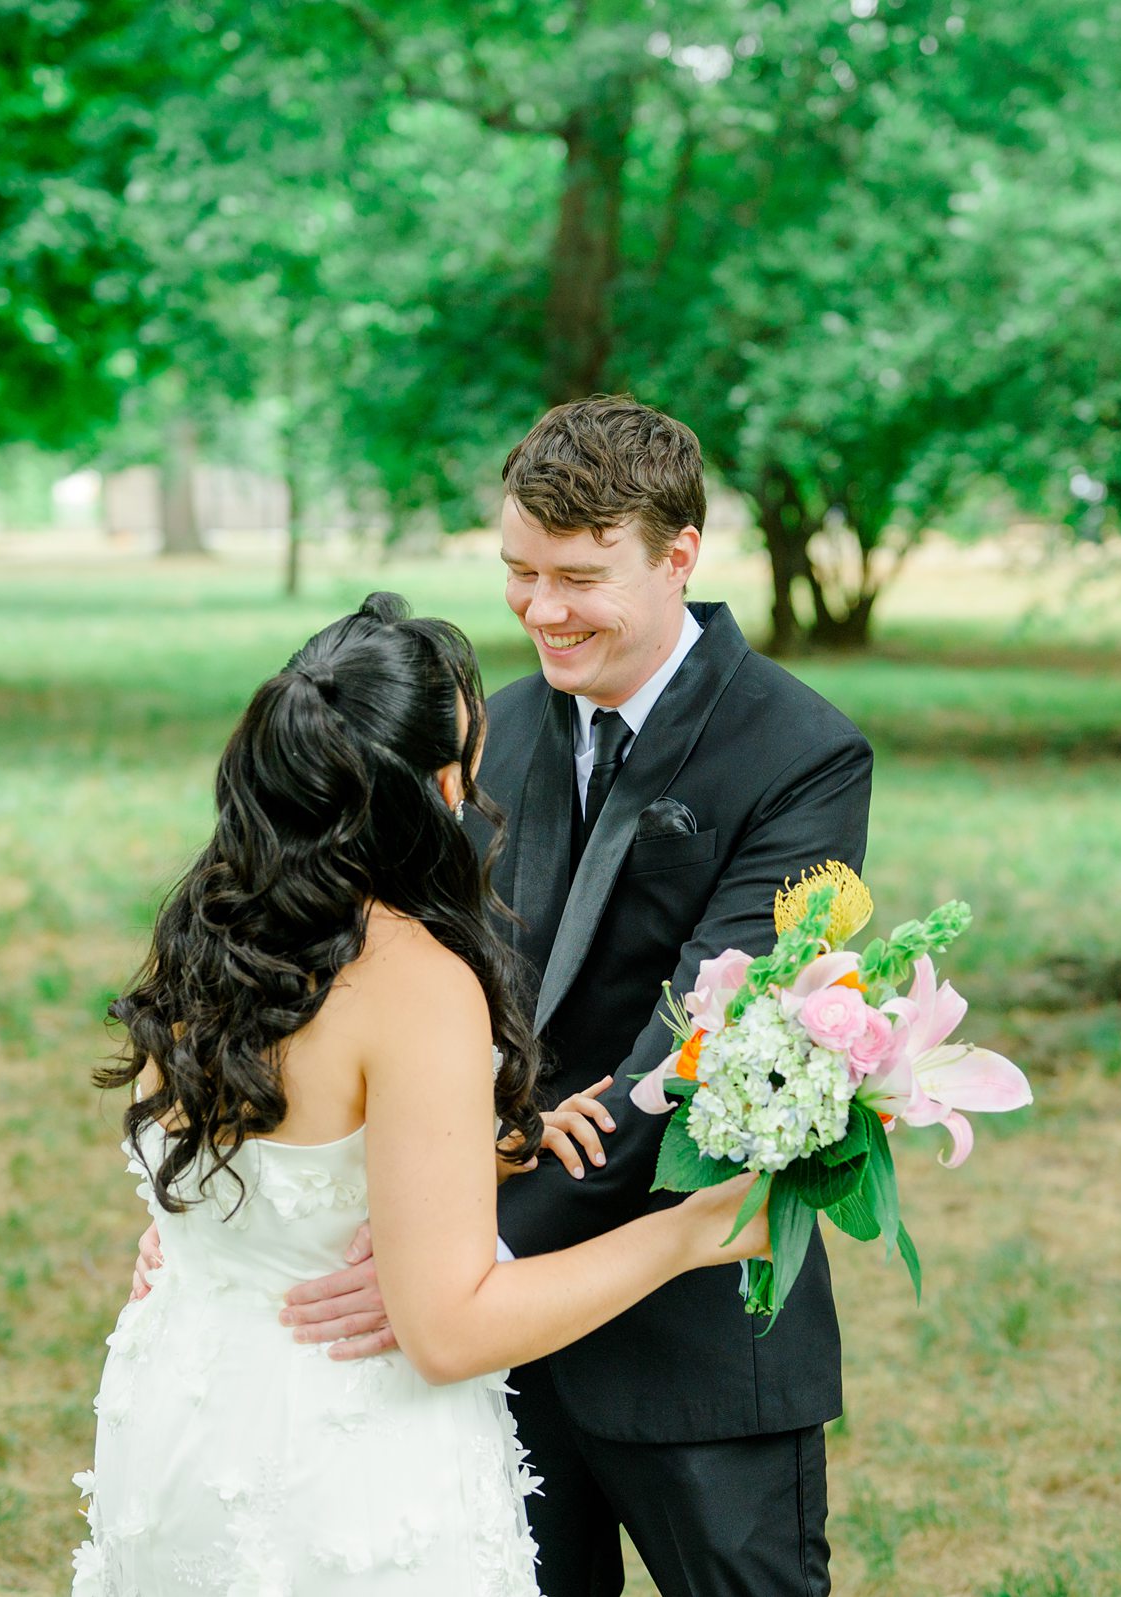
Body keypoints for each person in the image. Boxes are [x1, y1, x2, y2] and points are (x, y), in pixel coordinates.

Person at [275, 396, 873, 1596]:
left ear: (678, 556)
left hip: (692, 1330)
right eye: (518, 572)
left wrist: (460, 1256)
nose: (542, 610)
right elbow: (368, 962)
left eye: (579, 576)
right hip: (487, 1353)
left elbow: (705, 1039)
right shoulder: (484, 726)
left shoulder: (804, 753)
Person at [69, 592, 766, 1596]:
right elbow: (449, 1331)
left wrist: (486, 1142)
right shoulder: (414, 980)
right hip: (344, 1462)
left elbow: (281, 1162)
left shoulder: (205, 932)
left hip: (183, 1420)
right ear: (438, 787)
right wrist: (694, 1232)